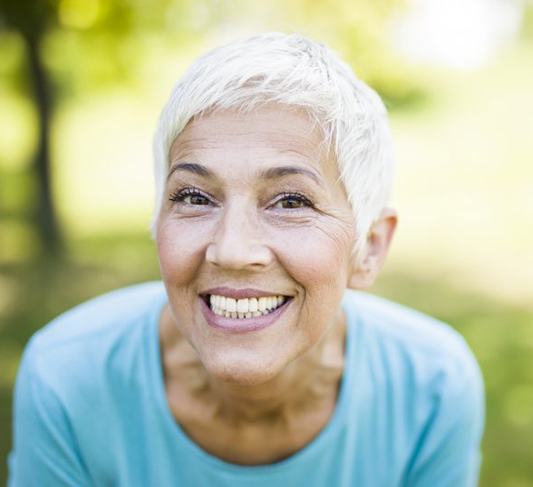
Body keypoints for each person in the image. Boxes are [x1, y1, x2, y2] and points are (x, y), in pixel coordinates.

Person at [8, 33, 484, 486]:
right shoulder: (67, 379)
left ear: (371, 247)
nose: (232, 251)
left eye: (292, 202)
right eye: (194, 197)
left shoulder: (432, 389)